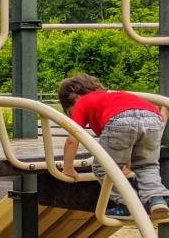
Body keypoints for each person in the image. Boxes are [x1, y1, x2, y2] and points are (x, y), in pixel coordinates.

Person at [59, 73, 169, 220]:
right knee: (147, 165)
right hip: (153, 119)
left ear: (73, 98)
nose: (72, 117)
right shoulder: (115, 96)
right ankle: (157, 199)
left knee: (102, 166)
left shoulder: (82, 102)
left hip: (120, 120)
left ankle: (127, 205)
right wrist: (127, 161)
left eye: (70, 113)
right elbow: (134, 133)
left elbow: (73, 138)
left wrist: (68, 167)